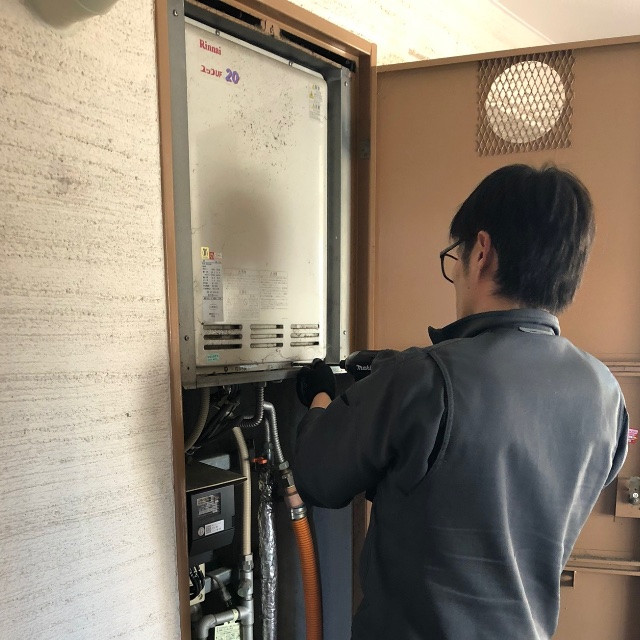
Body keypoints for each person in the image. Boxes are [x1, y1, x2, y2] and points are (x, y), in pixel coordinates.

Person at [293, 164, 628, 640]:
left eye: (457, 256)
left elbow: (317, 475)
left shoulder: (425, 379)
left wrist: (321, 396)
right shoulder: (606, 393)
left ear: (481, 252)